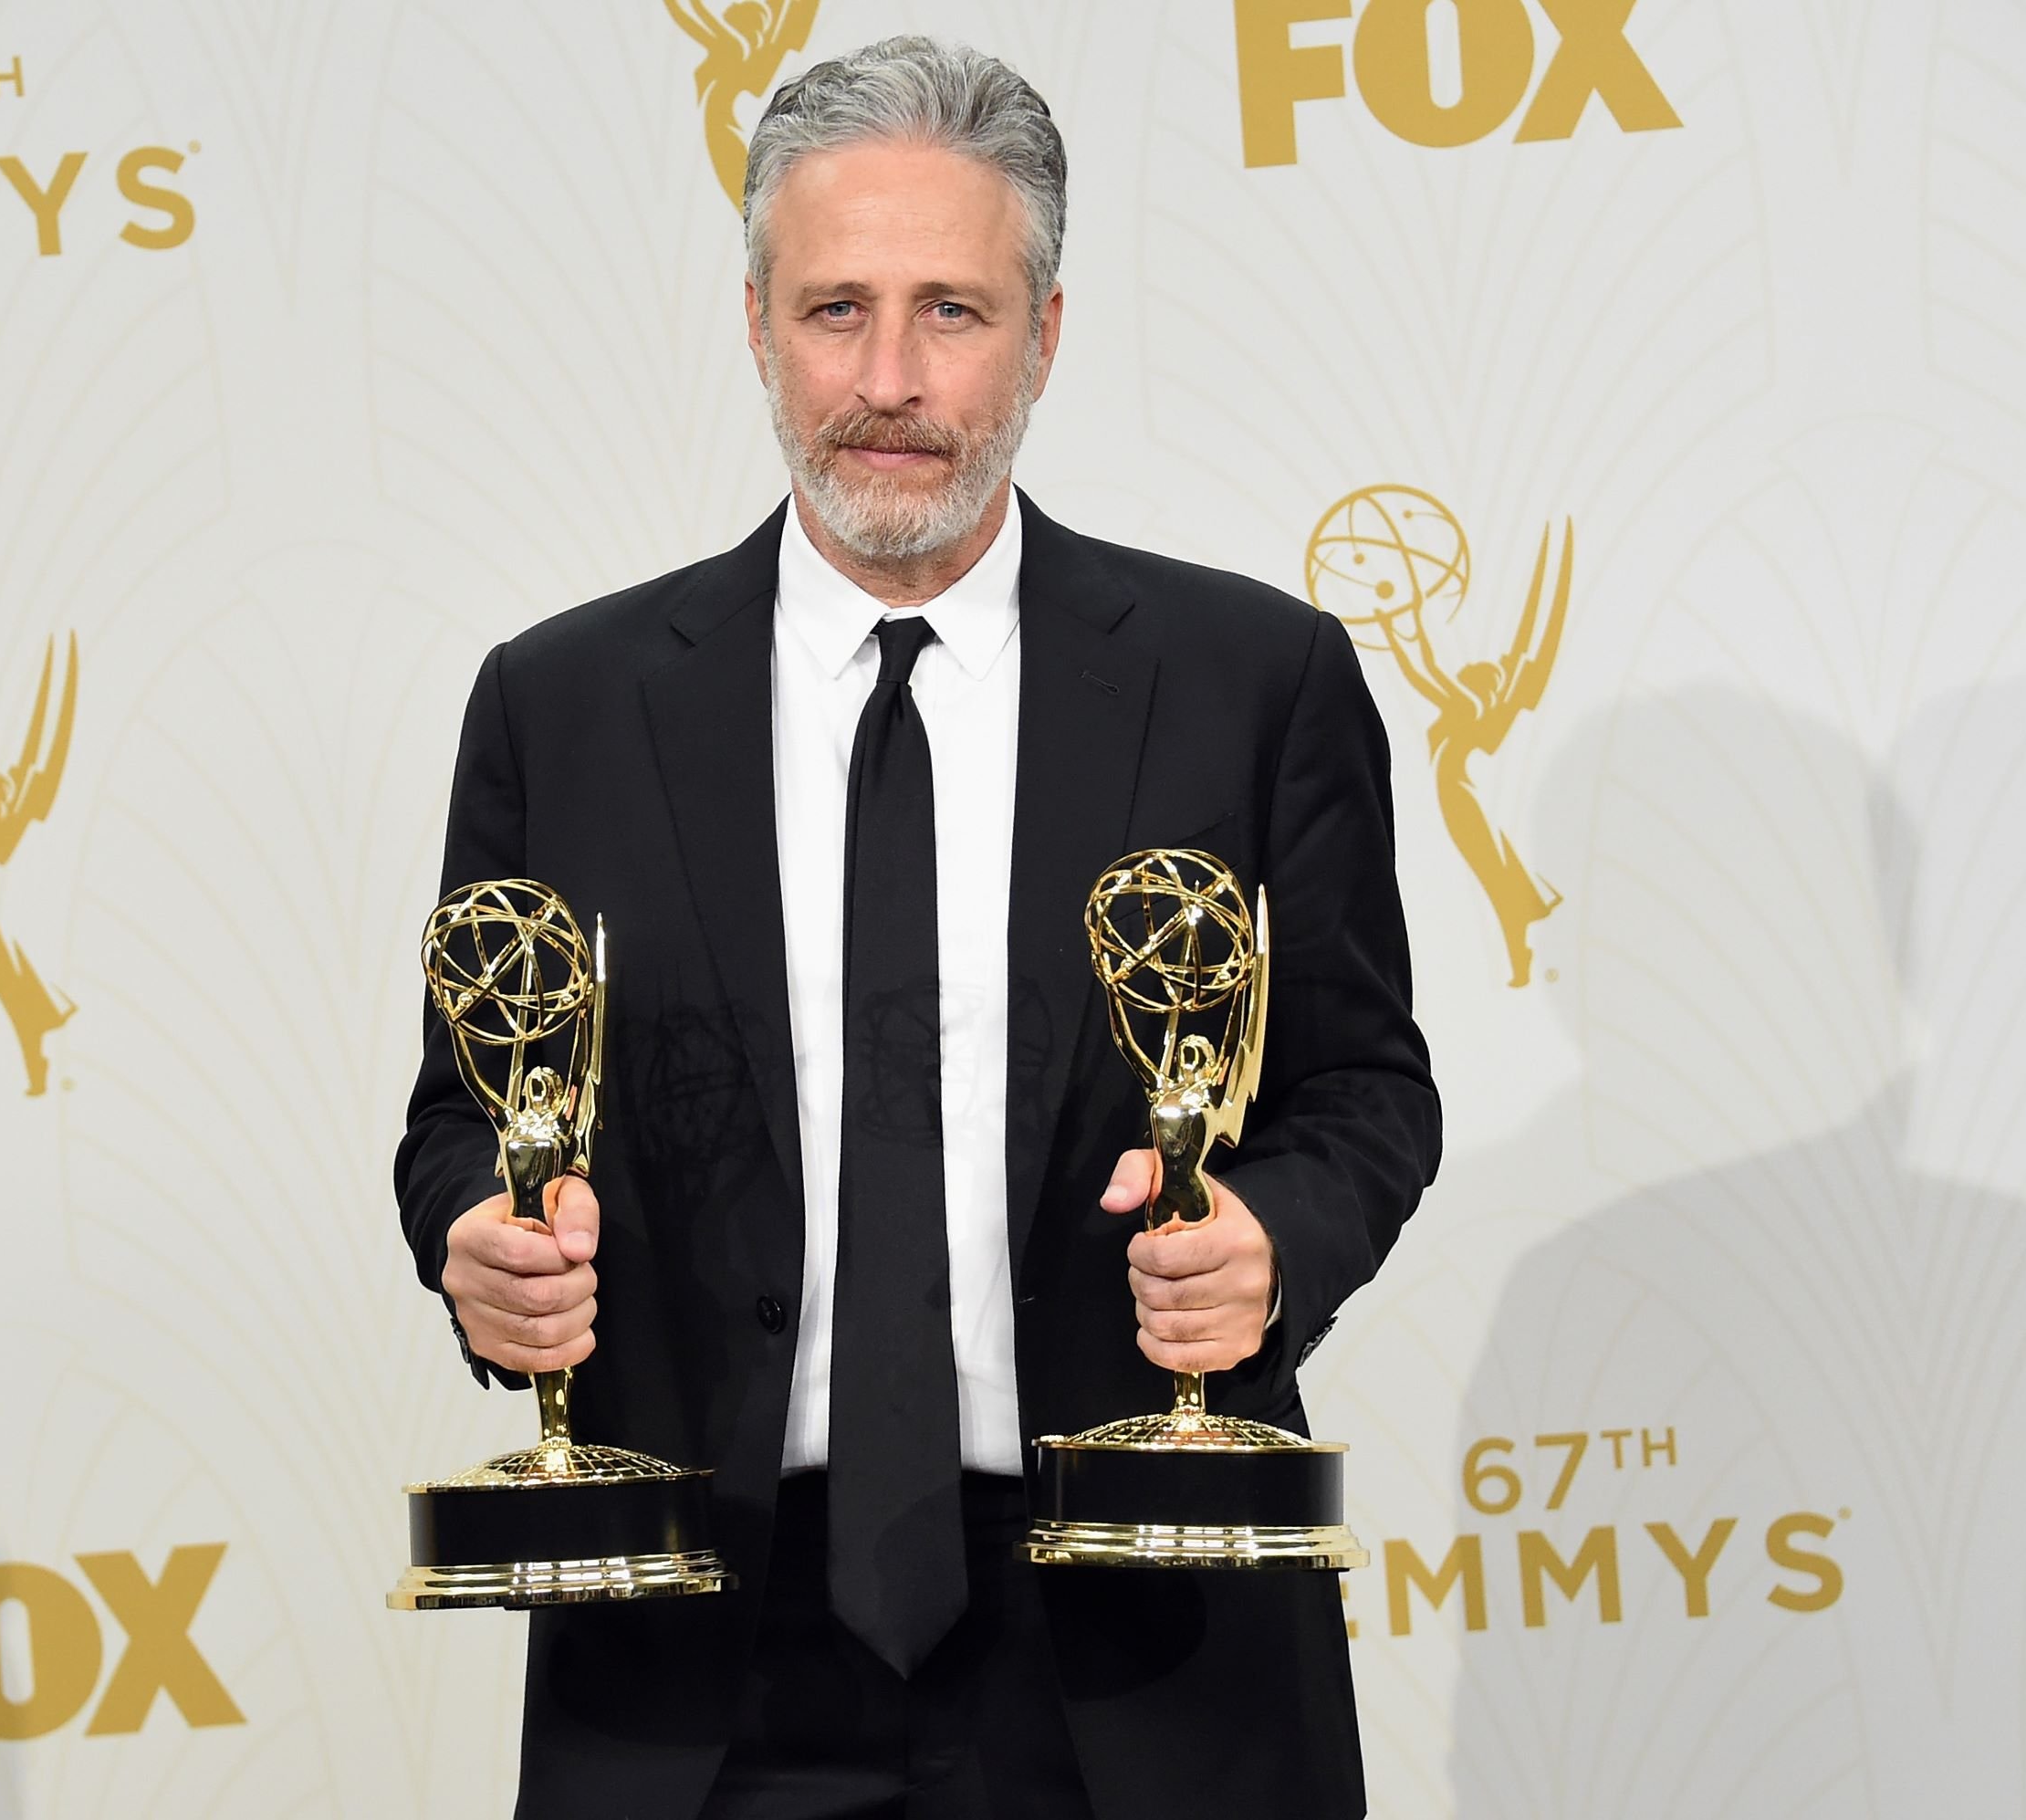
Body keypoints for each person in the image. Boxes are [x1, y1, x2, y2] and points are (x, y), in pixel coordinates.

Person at [392, 35, 1439, 1820]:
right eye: (833, 311)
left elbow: (1366, 1091)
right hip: (696, 1663)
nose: (888, 380)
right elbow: (461, 1126)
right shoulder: (558, 706)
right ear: (751, 326)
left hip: (1150, 1645)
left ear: (1044, 332)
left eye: (951, 310)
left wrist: (1272, 1236)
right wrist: (477, 1251)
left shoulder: (1250, 682)